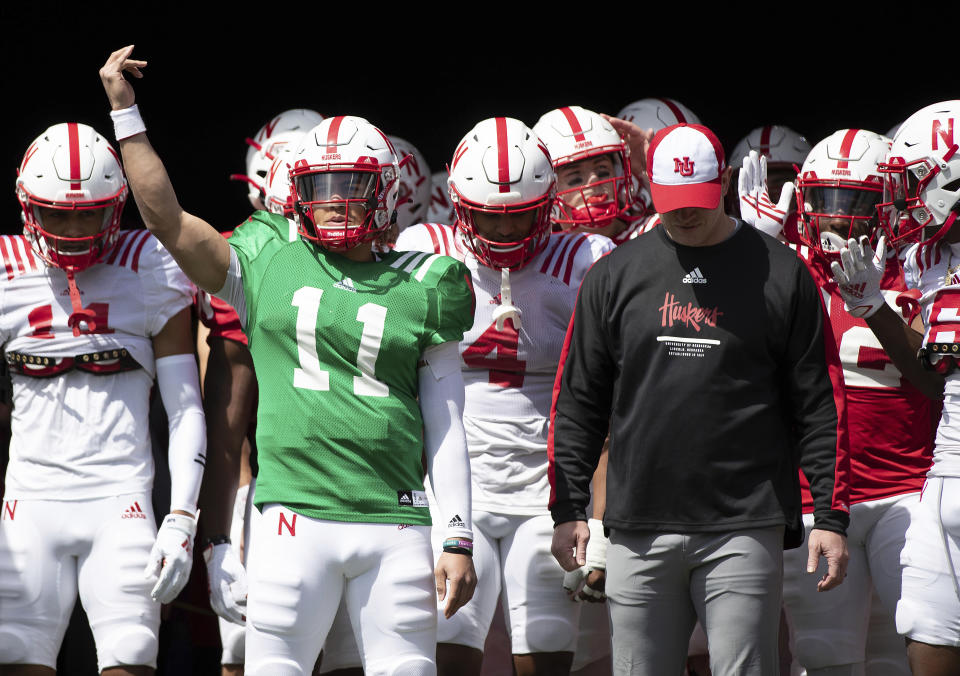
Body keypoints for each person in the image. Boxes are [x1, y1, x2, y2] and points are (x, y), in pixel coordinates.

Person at [99, 46, 477, 676]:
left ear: (384, 191)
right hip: (291, 518)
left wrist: (457, 534)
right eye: (318, 187)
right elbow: (167, 220)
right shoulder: (267, 254)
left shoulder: (430, 279)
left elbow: (446, 422)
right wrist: (126, 115)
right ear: (296, 191)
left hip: (397, 522)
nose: (332, 200)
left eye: (350, 185)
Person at [549, 121, 851, 675]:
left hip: (744, 521)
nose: (684, 212)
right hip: (638, 522)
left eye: (697, 199)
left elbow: (819, 404)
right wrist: (568, 508)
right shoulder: (614, 276)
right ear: (647, 184)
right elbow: (578, 402)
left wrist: (830, 516)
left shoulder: (781, 273)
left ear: (727, 181)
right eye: (671, 201)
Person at [396, 116, 614, 676]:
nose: (505, 232)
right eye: (490, 215)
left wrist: (601, 511)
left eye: (520, 214)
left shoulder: (585, 259)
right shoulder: (426, 252)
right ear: (460, 204)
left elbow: (610, 400)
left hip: (547, 491)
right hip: (452, 489)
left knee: (545, 651)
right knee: (448, 648)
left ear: (547, 202)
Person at [0, 122, 203, 675]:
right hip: (29, 501)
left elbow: (186, 407)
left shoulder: (150, 264)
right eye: (56, 212)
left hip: (120, 500)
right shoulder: (6, 270)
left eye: (87, 211)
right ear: (27, 207)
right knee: (14, 650)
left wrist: (182, 517)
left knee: (134, 650)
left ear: (115, 207)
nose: (70, 227)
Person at [742, 128, 937, 676]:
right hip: (816, 494)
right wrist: (748, 259)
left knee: (910, 645)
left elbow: (937, 379)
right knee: (825, 656)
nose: (837, 218)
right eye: (825, 200)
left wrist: (879, 304)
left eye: (857, 202)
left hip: (908, 490)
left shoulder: (922, 269)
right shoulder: (783, 267)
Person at [830, 100, 960, 676]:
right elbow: (933, 377)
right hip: (946, 468)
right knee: (927, 635)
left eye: (911, 183)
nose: (900, 200)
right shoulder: (928, 257)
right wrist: (876, 308)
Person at [534, 105, 654, 244]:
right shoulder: (542, 254)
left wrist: (648, 173)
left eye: (603, 172)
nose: (594, 180)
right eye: (575, 179)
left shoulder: (649, 233)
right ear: (549, 193)